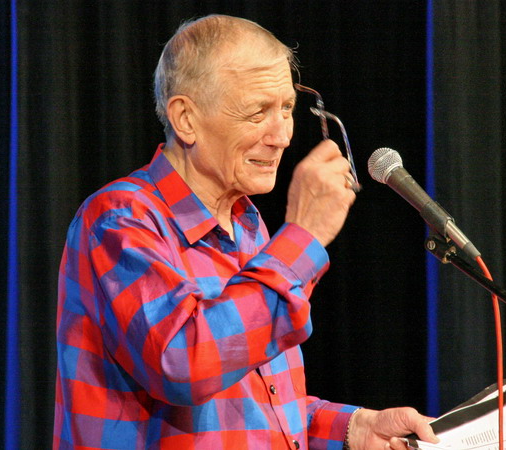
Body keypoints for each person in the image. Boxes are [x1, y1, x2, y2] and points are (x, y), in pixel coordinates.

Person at [53, 14, 438, 450]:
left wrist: (353, 428)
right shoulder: (121, 219)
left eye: (287, 108)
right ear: (186, 119)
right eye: (258, 112)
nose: (282, 136)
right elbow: (183, 362)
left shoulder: (247, 224)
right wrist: (303, 233)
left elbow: (253, 407)